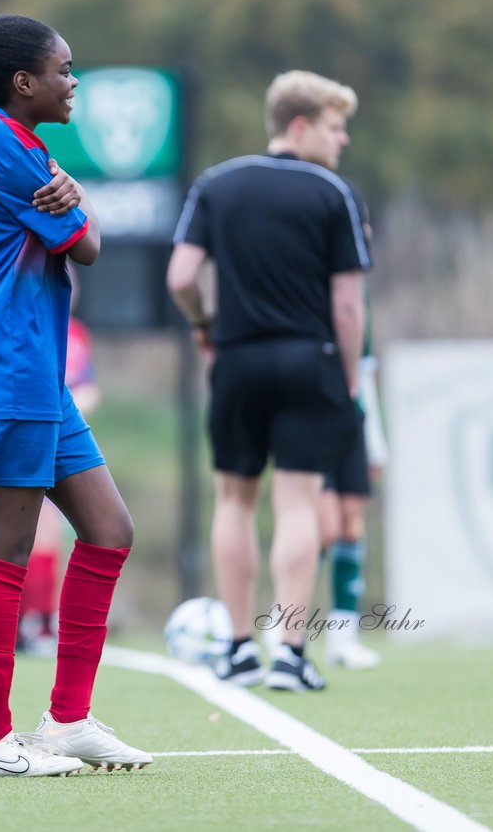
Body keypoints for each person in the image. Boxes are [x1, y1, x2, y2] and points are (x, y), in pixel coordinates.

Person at [0, 12, 152, 776]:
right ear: (23, 82)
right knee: (8, 551)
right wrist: (78, 200)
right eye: (64, 69)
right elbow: (88, 245)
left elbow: (79, 229)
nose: (74, 81)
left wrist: (77, 194)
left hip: (33, 373)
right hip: (6, 371)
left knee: (108, 529)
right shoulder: (9, 147)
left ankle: (65, 720)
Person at [166, 70, 371, 692]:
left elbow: (180, 276)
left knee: (235, 500)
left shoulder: (216, 184)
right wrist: (350, 377)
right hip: (309, 361)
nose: (342, 143)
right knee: (297, 505)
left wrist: (205, 326)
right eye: (336, 129)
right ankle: (289, 652)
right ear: (301, 126)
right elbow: (348, 306)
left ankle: (236, 648)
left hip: (238, 360)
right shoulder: (334, 194)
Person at [20, 272, 100, 656]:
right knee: (28, 532)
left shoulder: (78, 334)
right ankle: (32, 620)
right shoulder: (26, 324)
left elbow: (89, 389)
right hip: (28, 438)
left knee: (49, 532)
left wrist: (69, 415)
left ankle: (42, 621)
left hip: (61, 443)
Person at [319, 285, 388, 669]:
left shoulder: (357, 290)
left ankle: (342, 636)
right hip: (313, 410)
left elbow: (364, 370)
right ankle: (285, 620)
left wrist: (375, 440)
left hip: (353, 419)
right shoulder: (313, 275)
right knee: (323, 525)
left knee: (350, 522)